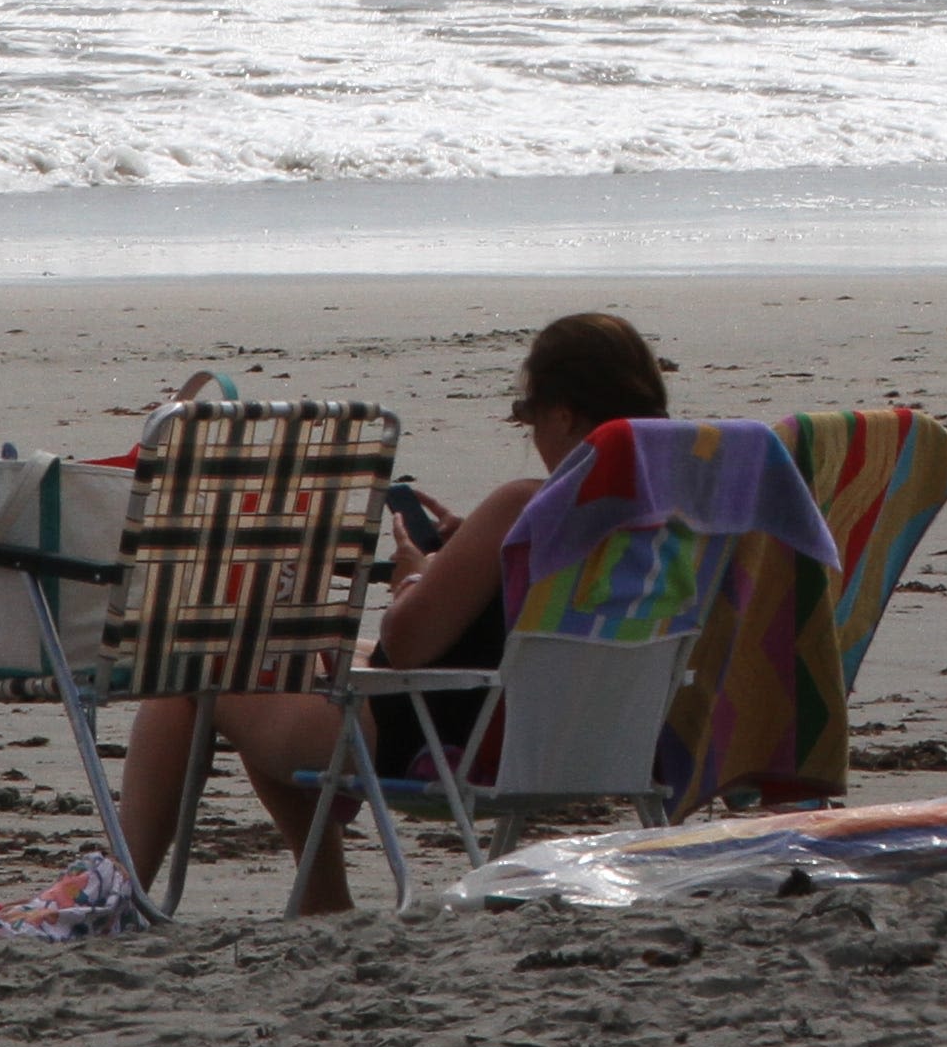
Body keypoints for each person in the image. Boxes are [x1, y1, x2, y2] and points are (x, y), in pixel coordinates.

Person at [117, 310, 673, 915]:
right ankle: (319, 895)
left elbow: (405, 645)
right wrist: (475, 556)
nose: (531, 434)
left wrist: (416, 574)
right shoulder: (665, 517)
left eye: (530, 415)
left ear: (563, 414)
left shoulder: (523, 505)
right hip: (590, 733)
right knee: (297, 657)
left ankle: (123, 893)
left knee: (201, 672)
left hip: (447, 737)